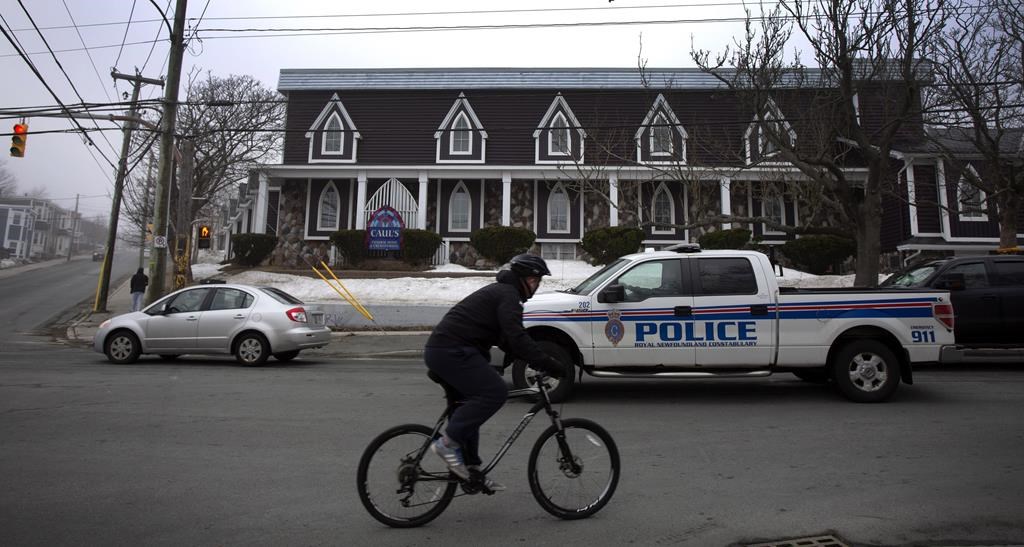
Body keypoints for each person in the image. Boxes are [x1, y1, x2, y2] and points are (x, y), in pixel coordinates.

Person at [424, 253, 565, 491]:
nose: (536, 285)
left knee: (469, 406)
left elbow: (508, 341)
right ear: (522, 278)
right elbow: (517, 338)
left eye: (538, 281)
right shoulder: (507, 295)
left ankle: (471, 471)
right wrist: (548, 362)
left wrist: (535, 360)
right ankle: (447, 444)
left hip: (446, 350)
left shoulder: (504, 294)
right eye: (534, 280)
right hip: (451, 350)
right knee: (494, 393)